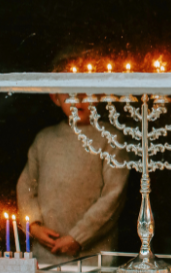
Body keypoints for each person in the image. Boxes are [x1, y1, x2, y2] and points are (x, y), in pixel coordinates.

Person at [16, 88, 128, 266]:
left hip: (93, 260)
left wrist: (78, 237)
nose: (78, 100)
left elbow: (114, 195)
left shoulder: (110, 138)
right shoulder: (44, 139)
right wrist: (34, 226)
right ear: (55, 98)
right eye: (69, 93)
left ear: (98, 96)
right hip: (45, 257)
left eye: (85, 92)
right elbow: (25, 186)